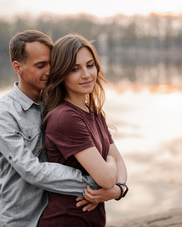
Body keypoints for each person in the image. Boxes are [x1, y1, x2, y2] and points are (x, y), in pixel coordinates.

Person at [0, 30, 104, 226]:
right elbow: (32, 170)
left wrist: (116, 185)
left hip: (60, 216)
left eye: (52, 63)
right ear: (18, 67)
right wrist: (96, 183)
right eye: (41, 65)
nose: (50, 71)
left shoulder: (59, 104)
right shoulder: (2, 116)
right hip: (21, 221)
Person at [38, 34, 128, 227]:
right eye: (74, 69)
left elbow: (120, 163)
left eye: (90, 65)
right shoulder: (65, 117)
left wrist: (118, 190)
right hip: (65, 220)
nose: (86, 74)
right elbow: (106, 176)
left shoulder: (94, 112)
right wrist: (110, 165)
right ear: (61, 74)